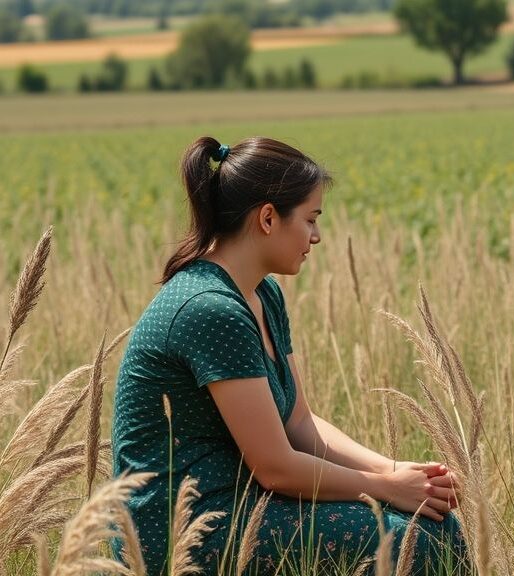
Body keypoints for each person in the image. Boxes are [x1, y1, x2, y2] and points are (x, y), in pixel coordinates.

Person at [110, 136, 469, 575]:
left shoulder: (262, 293)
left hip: (241, 504)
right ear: (267, 218)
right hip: (182, 531)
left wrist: (396, 471)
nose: (317, 236)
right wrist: (386, 488)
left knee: (437, 526)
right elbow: (276, 468)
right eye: (310, 219)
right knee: (415, 540)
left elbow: (298, 422)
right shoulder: (209, 308)